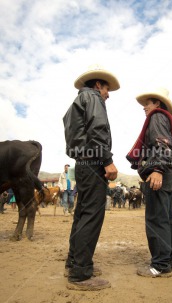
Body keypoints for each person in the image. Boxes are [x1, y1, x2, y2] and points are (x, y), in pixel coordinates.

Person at [126, 87, 172, 277]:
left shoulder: (157, 116)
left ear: (157, 103)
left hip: (160, 173)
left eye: (147, 103)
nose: (144, 108)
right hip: (169, 174)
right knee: (167, 219)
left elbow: (161, 144)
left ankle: (160, 265)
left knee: (156, 219)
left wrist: (157, 169)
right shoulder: (165, 117)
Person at [63, 64, 120, 290]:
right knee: (91, 216)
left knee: (81, 214)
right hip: (94, 162)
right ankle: (80, 275)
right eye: (107, 90)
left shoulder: (75, 103)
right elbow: (97, 130)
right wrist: (107, 160)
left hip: (82, 163)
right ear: (98, 85)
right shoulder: (93, 98)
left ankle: (74, 263)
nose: (108, 95)